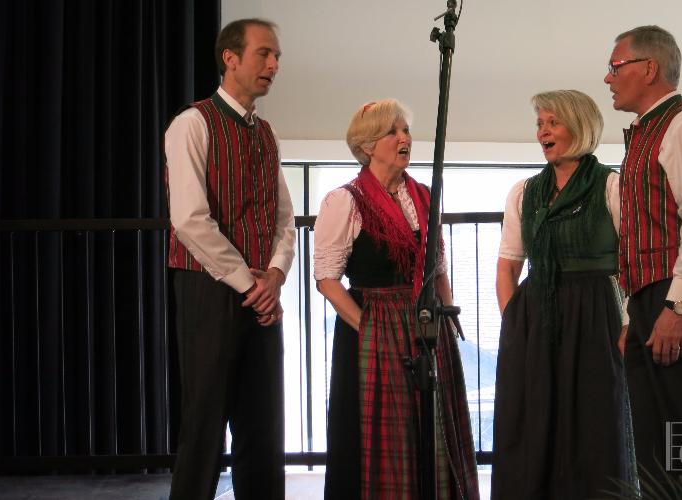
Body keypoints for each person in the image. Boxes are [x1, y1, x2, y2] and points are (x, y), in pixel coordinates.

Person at [314, 99, 479, 499]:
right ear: (368, 145)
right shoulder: (346, 201)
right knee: (387, 425)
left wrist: (447, 314)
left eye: (405, 130)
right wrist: (368, 328)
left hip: (425, 319)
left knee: (434, 420)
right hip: (373, 323)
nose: (404, 137)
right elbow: (327, 280)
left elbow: (437, 265)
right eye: (393, 131)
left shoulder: (423, 195)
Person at [164, 18, 294, 500]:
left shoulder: (267, 135)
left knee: (263, 427)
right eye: (264, 53)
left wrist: (275, 275)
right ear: (230, 58)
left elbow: (284, 217)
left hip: (261, 294)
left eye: (276, 56)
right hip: (208, 290)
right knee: (204, 426)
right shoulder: (192, 123)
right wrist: (250, 283)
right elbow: (189, 220)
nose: (274, 64)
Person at [492, 90, 636, 499]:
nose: (543, 131)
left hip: (596, 316)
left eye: (552, 122)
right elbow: (508, 266)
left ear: (580, 126)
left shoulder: (612, 185)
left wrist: (629, 323)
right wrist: (515, 322)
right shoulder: (524, 193)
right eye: (540, 124)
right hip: (537, 319)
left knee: (597, 424)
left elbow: (632, 262)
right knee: (533, 423)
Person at [604, 25, 682, 496]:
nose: (608, 77)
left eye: (616, 66)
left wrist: (678, 307)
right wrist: (631, 315)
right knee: (655, 452)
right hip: (649, 300)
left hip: (679, 296)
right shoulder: (644, 132)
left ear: (649, 68)